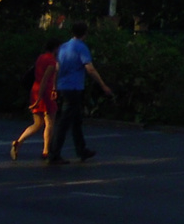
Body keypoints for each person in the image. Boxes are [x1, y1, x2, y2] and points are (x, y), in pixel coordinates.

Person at [47, 22, 114, 165]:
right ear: (85, 33)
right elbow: (90, 69)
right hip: (74, 87)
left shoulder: (64, 47)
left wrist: (54, 86)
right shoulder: (81, 48)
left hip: (63, 86)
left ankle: (81, 149)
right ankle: (54, 153)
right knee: (65, 121)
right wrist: (103, 85)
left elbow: (57, 68)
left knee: (76, 120)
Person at [11, 38, 61, 161]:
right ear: (55, 48)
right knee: (49, 123)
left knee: (37, 123)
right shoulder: (51, 61)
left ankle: (19, 141)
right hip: (45, 92)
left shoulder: (41, 58)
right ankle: (46, 150)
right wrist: (41, 97)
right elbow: (46, 78)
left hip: (35, 88)